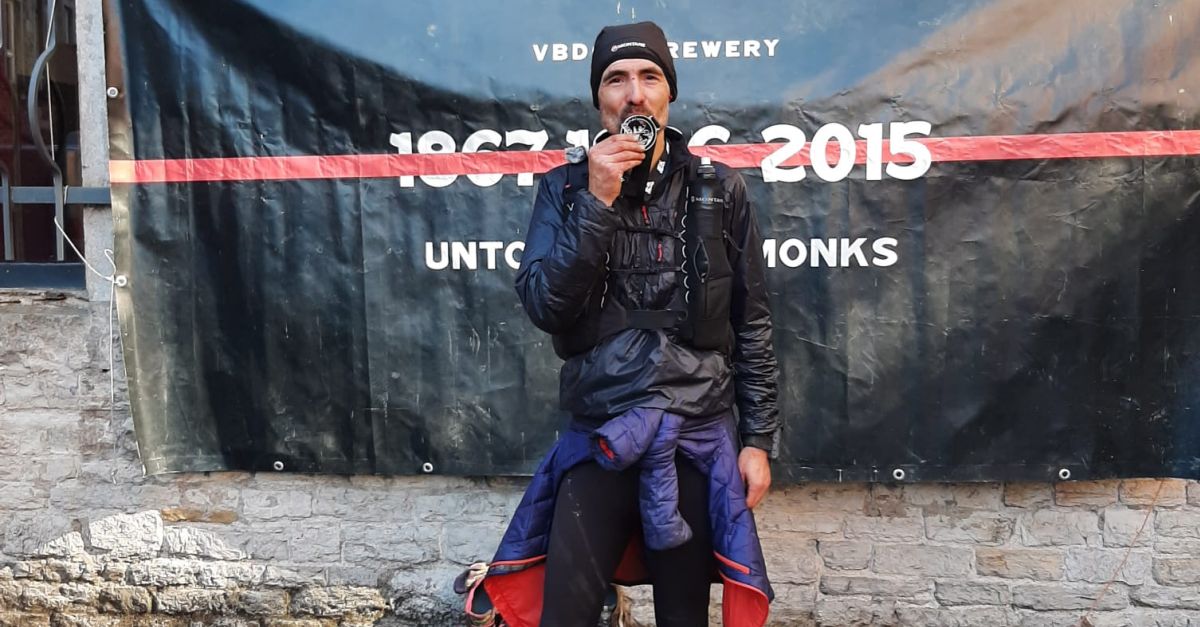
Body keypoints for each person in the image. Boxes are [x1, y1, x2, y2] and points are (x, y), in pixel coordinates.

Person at [463, 20, 780, 627]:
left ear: (669, 93)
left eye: (649, 77)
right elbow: (546, 306)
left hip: (694, 434)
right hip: (599, 434)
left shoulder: (720, 189)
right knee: (566, 613)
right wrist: (597, 200)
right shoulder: (564, 189)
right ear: (599, 100)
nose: (634, 94)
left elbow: (752, 322)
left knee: (684, 616)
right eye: (616, 79)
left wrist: (759, 441)